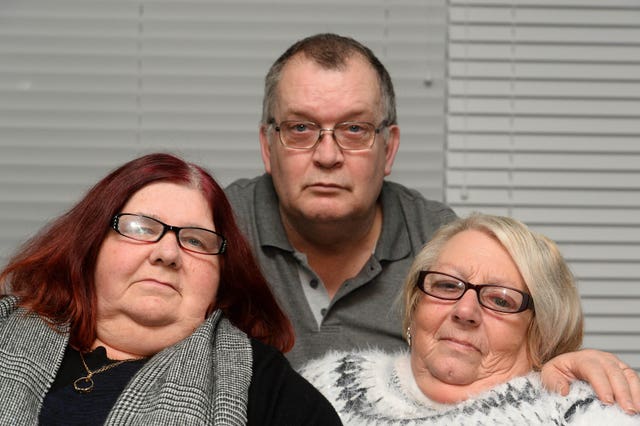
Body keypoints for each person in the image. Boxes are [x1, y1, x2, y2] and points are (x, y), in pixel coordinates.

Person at [224, 32, 640, 411]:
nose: (328, 155)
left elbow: (506, 354)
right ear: (267, 145)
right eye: (300, 128)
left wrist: (564, 365)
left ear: (389, 150)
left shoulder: (443, 248)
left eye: (354, 129)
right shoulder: (213, 230)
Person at [0, 153, 341, 425]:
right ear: (91, 245)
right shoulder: (6, 326)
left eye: (195, 239)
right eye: (140, 227)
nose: (167, 253)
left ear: (223, 276)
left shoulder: (265, 386)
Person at [299, 213, 640, 424]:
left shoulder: (579, 410)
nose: (464, 311)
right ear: (415, 304)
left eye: (500, 300)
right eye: (447, 285)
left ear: (541, 333)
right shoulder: (328, 383)